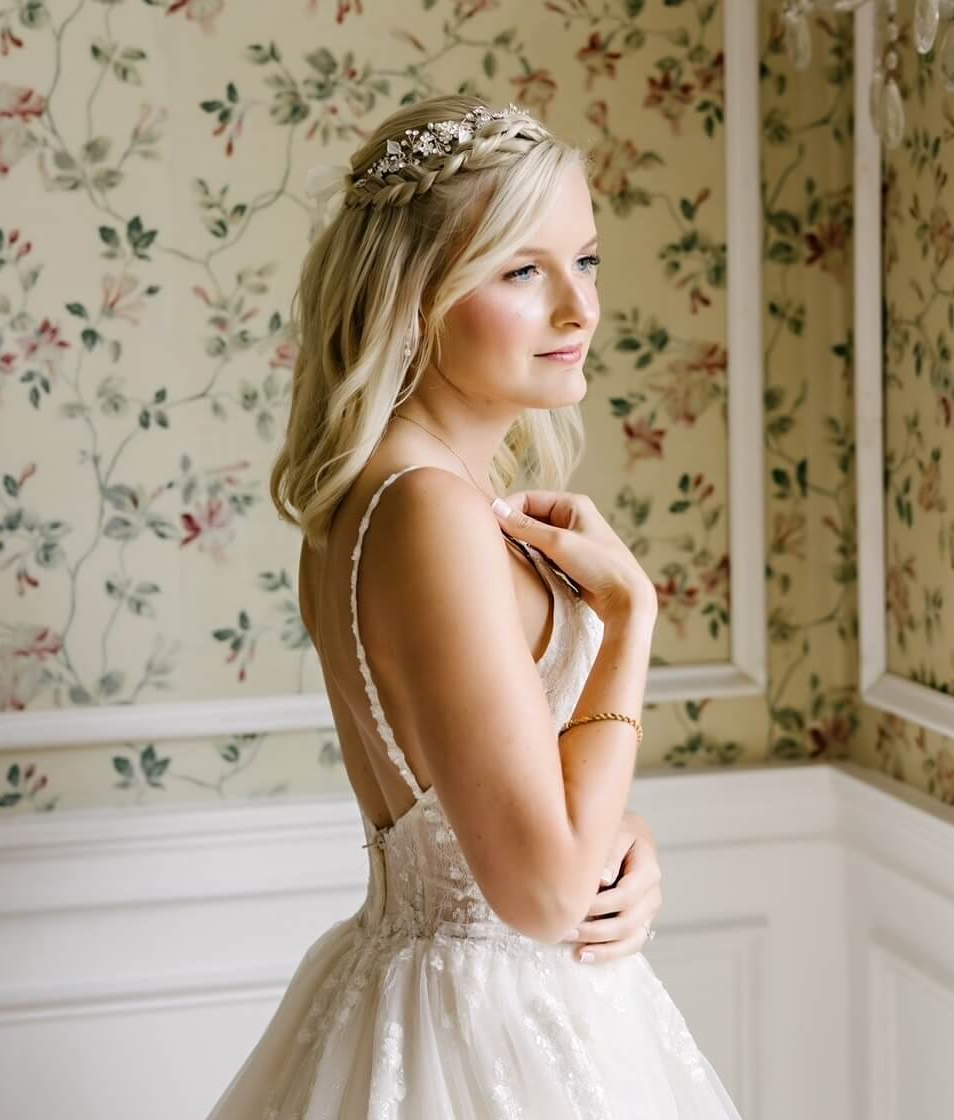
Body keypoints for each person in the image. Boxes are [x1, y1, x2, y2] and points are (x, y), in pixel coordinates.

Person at [206, 94, 743, 1119]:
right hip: (492, 1026)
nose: (579, 309)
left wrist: (617, 830)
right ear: (414, 299)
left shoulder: (385, 494)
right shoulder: (427, 511)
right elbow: (538, 899)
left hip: (446, 990)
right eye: (520, 271)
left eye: (582, 259)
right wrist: (629, 623)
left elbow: (490, 804)